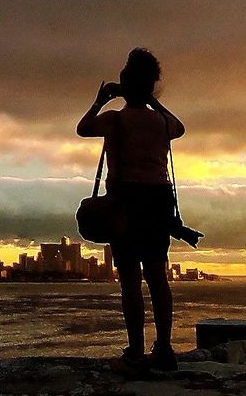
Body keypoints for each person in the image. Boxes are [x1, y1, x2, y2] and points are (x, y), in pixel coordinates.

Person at [77, 47, 187, 372]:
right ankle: (164, 350)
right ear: (151, 88)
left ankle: (136, 353)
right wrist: (153, 102)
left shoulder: (116, 119)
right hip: (158, 203)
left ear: (124, 83)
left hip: (125, 203)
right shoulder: (160, 122)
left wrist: (101, 100)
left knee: (129, 279)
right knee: (157, 276)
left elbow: (83, 129)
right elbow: (179, 127)